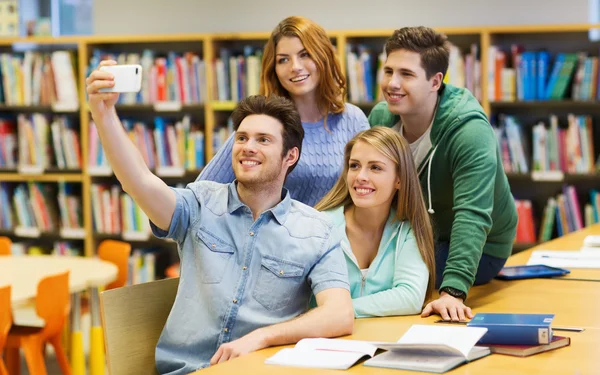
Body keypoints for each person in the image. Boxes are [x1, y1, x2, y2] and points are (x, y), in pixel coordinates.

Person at [87, 62, 354, 375]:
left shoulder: (317, 230)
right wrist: (103, 114)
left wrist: (261, 338)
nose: (247, 148)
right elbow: (138, 181)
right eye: (242, 138)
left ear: (290, 156)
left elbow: (339, 314)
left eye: (263, 140)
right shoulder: (199, 204)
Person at [368, 26, 518, 321]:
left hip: (483, 247)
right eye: (388, 71)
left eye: (406, 75)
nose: (392, 83)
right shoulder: (380, 119)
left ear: (435, 81)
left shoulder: (469, 131)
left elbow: (472, 214)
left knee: (381, 277)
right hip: (416, 236)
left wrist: (453, 291)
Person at [198, 16, 369, 207]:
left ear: (324, 57)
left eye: (305, 55)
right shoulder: (263, 124)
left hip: (341, 235)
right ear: (274, 69)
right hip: (274, 235)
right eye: (283, 60)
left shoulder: (354, 120)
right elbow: (200, 197)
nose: (295, 67)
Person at [315, 127, 435, 317]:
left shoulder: (408, 230)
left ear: (399, 179)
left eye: (375, 168)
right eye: (354, 165)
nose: (361, 176)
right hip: (322, 340)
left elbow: (411, 297)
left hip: (380, 339)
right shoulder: (320, 226)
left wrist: (338, 312)